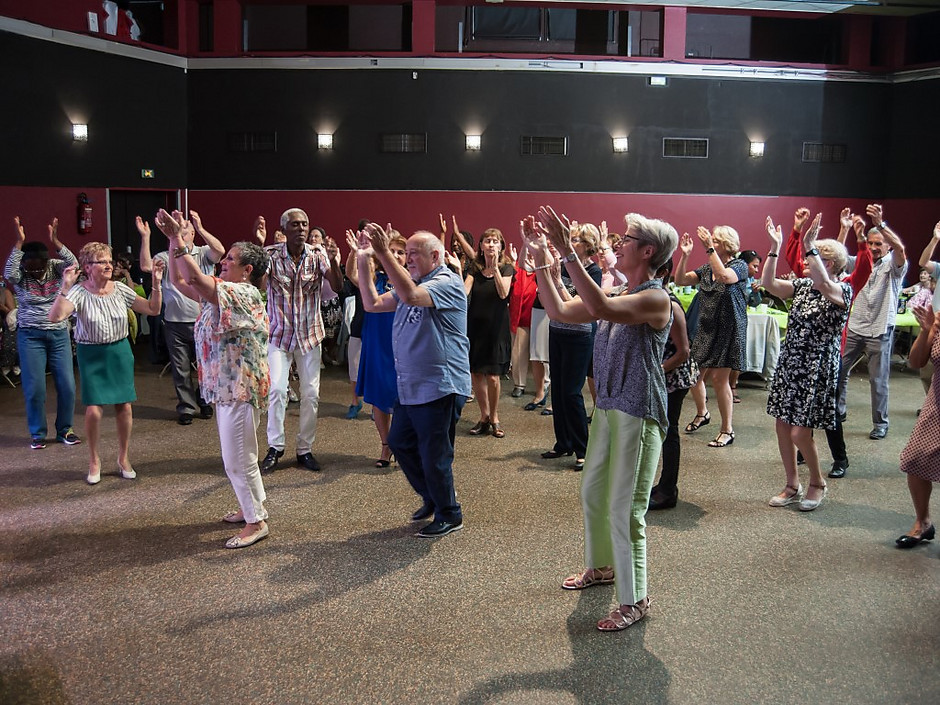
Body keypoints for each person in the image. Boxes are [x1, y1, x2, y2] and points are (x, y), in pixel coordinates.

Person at [527, 206, 677, 632]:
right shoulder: (618, 293)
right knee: (593, 490)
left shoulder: (655, 298)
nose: (619, 243)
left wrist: (563, 250)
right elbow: (558, 310)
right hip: (610, 408)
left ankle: (636, 599)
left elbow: (598, 306)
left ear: (647, 251)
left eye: (626, 239)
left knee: (625, 508)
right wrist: (540, 257)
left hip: (639, 412)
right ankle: (602, 568)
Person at [156, 209, 272, 549]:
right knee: (239, 454)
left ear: (247, 270)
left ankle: (256, 522)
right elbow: (180, 282)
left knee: (238, 458)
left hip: (239, 387)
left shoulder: (243, 293)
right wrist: (173, 240)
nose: (223, 262)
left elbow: (194, 279)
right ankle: (251, 505)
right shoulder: (222, 293)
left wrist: (180, 241)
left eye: (230, 260)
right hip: (226, 387)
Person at [352, 225, 471, 538]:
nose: (407, 259)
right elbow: (372, 304)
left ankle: (450, 513)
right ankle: (433, 496)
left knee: (434, 455)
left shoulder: (447, 281)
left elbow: (411, 296)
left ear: (436, 255)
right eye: (405, 254)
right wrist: (365, 259)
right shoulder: (415, 280)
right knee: (400, 443)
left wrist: (382, 252)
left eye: (413, 253)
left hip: (439, 384)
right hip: (411, 384)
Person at [49, 242, 164, 484]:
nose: (109, 265)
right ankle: (94, 460)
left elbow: (153, 309)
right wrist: (64, 287)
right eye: (102, 261)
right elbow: (56, 316)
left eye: (110, 261)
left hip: (119, 351)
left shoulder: (120, 290)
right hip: (91, 354)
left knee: (125, 406)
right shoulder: (79, 292)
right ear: (87, 267)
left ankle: (123, 458)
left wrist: (156, 281)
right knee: (93, 409)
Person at [762, 214, 851, 511]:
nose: (808, 260)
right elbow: (769, 284)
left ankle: (817, 482)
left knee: (801, 431)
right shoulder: (801, 287)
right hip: (791, 363)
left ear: (834, 265)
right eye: (810, 255)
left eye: (819, 257)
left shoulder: (840, 291)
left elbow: (825, 284)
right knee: (782, 426)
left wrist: (810, 244)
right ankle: (792, 483)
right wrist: (774, 247)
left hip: (816, 368)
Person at [782, 207, 872, 478]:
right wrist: (797, 231)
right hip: (802, 357)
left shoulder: (845, 285)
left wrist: (860, 238)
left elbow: (852, 266)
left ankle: (840, 459)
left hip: (827, 355)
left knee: (829, 411)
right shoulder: (811, 282)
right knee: (802, 411)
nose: (808, 264)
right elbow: (798, 262)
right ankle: (803, 448)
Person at [255, 209, 343, 473]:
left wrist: (335, 260)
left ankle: (304, 448)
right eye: (295, 224)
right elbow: (259, 285)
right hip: (279, 336)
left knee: (311, 395)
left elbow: (337, 286)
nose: (302, 228)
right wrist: (258, 248)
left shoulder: (318, 256)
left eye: (305, 224)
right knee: (277, 391)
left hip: (309, 335)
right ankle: (275, 447)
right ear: (285, 228)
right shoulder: (270, 254)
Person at [139, 209, 224, 425]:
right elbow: (146, 266)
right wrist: (146, 237)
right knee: (180, 368)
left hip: (202, 320)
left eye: (184, 225)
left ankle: (204, 400)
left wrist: (201, 227)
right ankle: (186, 407)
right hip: (174, 322)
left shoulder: (203, 252)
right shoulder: (167, 253)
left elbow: (219, 250)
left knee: (207, 365)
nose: (179, 226)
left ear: (192, 232)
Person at [4, 217, 80, 449]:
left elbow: (74, 263)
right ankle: (37, 433)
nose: (36, 271)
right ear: (24, 264)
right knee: (34, 387)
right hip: (30, 336)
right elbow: (8, 273)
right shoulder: (20, 275)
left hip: (58, 335)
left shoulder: (57, 268)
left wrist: (56, 241)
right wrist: (19, 242)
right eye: (31, 266)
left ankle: (65, 429)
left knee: (67, 385)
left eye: (40, 265)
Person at [837, 204, 907, 440]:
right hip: (855, 326)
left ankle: (880, 423)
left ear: (886, 245)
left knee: (878, 380)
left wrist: (880, 224)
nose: (874, 248)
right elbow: (836, 257)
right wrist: (844, 229)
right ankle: (838, 411)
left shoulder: (894, 265)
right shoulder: (860, 261)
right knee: (838, 369)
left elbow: (900, 248)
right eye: (871, 243)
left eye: (879, 244)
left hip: (879, 329)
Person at [676, 225, 748, 448]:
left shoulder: (739, 265)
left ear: (727, 244)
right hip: (707, 327)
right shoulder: (707, 268)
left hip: (728, 328)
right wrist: (685, 256)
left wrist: (708, 248)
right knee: (694, 376)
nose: (711, 243)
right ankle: (702, 413)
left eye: (716, 241)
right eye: (711, 241)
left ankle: (727, 429)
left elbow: (724, 277)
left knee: (719, 379)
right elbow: (680, 280)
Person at [540, 222, 602, 470]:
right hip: (557, 331)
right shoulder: (564, 265)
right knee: (558, 389)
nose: (571, 242)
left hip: (579, 335)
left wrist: (557, 281)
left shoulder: (592, 271)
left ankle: (582, 448)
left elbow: (577, 303)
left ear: (587, 246)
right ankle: (562, 443)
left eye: (575, 239)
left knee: (571, 392)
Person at [345, 226, 406, 467]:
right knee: (380, 399)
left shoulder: (412, 282)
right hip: (377, 345)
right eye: (392, 251)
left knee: (404, 400)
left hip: (403, 348)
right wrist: (357, 253)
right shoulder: (375, 279)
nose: (397, 255)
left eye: (401, 252)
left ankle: (403, 444)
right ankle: (385, 445)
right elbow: (352, 275)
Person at [649, 258, 698, 510]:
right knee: (661, 430)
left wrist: (656, 371)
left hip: (674, 376)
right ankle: (663, 485)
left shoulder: (671, 303)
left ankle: (668, 490)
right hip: (663, 374)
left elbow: (683, 352)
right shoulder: (652, 298)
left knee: (669, 432)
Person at [895, 302, 940, 548]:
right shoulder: (939, 320)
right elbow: (915, 361)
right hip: (937, 402)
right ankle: (923, 522)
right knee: (915, 460)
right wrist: (926, 330)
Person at [463, 227, 514, 438]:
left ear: (501, 246)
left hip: (496, 328)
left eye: (495, 241)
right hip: (475, 327)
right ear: (481, 246)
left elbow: (503, 294)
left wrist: (495, 270)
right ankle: (483, 416)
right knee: (476, 373)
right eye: (487, 241)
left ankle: (494, 417)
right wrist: (459, 273)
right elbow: (464, 292)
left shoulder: (507, 268)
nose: (491, 244)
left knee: (493, 376)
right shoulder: (474, 268)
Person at [914, 221, 940, 396]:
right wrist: (935, 239)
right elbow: (923, 261)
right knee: (927, 372)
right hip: (935, 327)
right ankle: (931, 401)